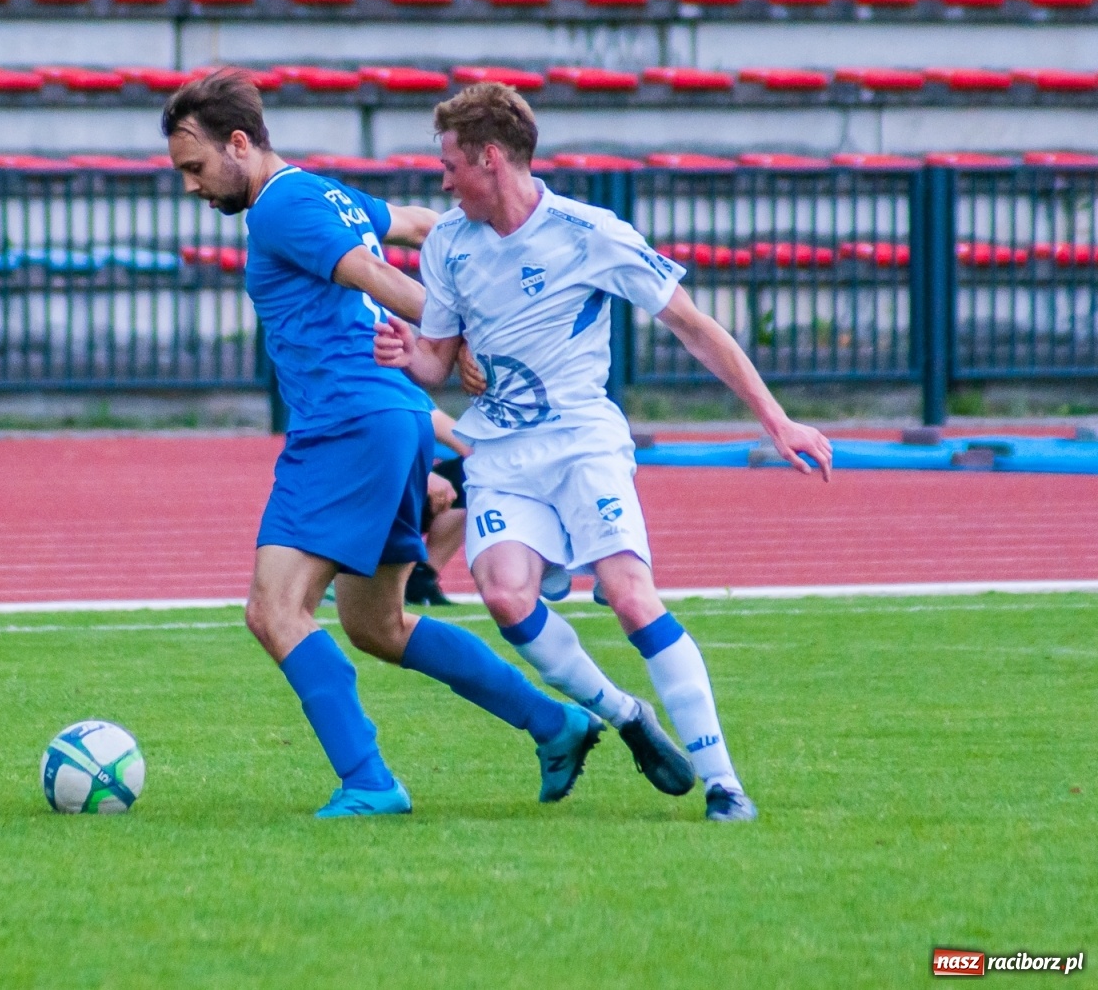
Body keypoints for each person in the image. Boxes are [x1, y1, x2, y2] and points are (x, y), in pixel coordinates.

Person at [375, 83, 835, 822]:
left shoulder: (589, 233)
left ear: (490, 158)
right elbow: (437, 362)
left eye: (450, 163)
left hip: (583, 442)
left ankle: (724, 784)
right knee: (503, 595)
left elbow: (691, 323)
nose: (442, 178)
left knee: (628, 595)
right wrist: (408, 357)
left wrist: (776, 421)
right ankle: (625, 717)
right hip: (501, 452)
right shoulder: (448, 245)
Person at [163, 70, 602, 818]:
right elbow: (431, 226)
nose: (191, 187)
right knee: (377, 624)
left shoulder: (280, 207)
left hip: (346, 423)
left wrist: (460, 329)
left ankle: (368, 781)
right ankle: (553, 721)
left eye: (195, 167)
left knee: (275, 610)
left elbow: (371, 270)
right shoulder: (324, 193)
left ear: (239, 144)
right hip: (393, 419)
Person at [405, 408, 472, 607]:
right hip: (342, 503)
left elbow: (470, 445)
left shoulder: (398, 390)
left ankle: (420, 578)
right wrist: (420, 474)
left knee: (475, 472)